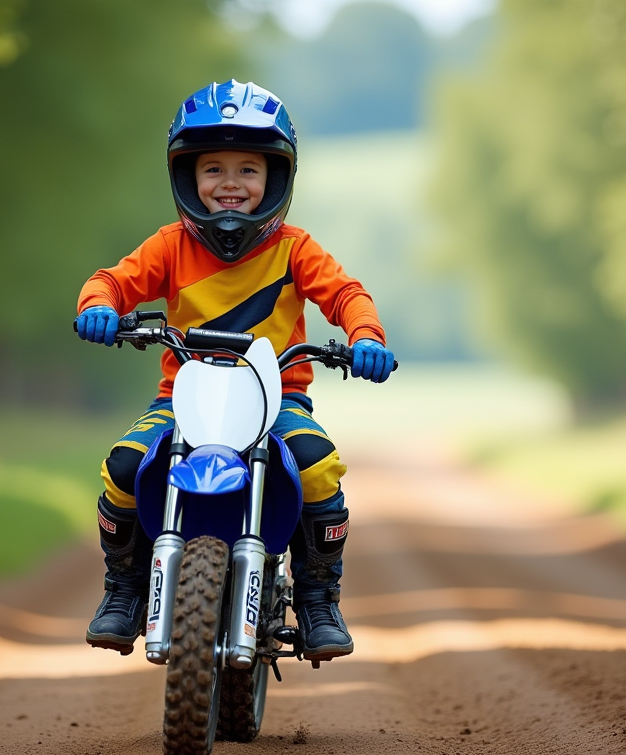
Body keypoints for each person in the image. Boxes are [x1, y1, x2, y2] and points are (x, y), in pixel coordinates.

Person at [73, 79, 395, 662]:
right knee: (123, 467)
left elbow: (347, 293)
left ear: (276, 179)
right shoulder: (169, 246)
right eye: (213, 168)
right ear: (186, 178)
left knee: (319, 468)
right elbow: (113, 281)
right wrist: (98, 307)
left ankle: (320, 599)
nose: (229, 183)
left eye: (248, 169)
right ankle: (122, 589)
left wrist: (365, 336)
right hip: (182, 400)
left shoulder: (295, 250)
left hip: (277, 405)